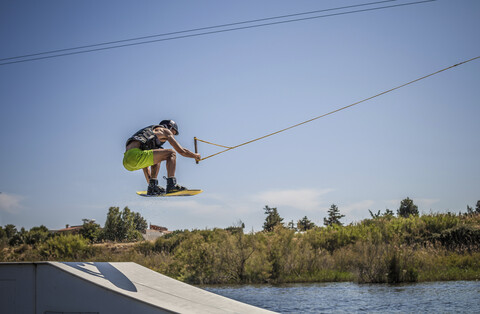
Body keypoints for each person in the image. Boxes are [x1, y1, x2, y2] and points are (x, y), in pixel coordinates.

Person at [123, 120, 201, 195]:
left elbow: (145, 165)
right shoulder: (165, 130)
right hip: (135, 155)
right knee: (171, 153)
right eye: (174, 133)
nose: (173, 135)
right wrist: (195, 156)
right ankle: (171, 185)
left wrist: (150, 185)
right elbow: (182, 151)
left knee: (158, 152)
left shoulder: (150, 134)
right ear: (170, 127)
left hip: (127, 161)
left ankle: (152, 186)